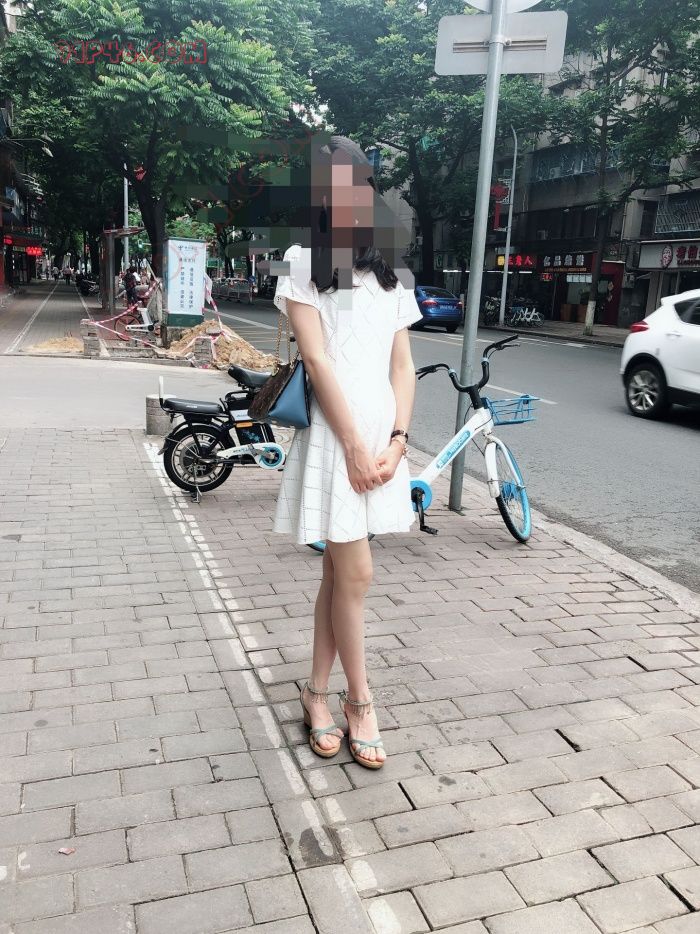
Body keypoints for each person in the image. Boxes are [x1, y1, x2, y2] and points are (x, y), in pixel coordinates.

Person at [272, 136, 422, 770]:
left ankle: (316, 694)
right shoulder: (304, 263)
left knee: (338, 577)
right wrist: (357, 447)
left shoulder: (390, 272)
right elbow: (316, 360)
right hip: (337, 444)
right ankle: (361, 702)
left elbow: (403, 367)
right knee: (356, 574)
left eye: (357, 184)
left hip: (381, 446)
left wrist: (397, 442)